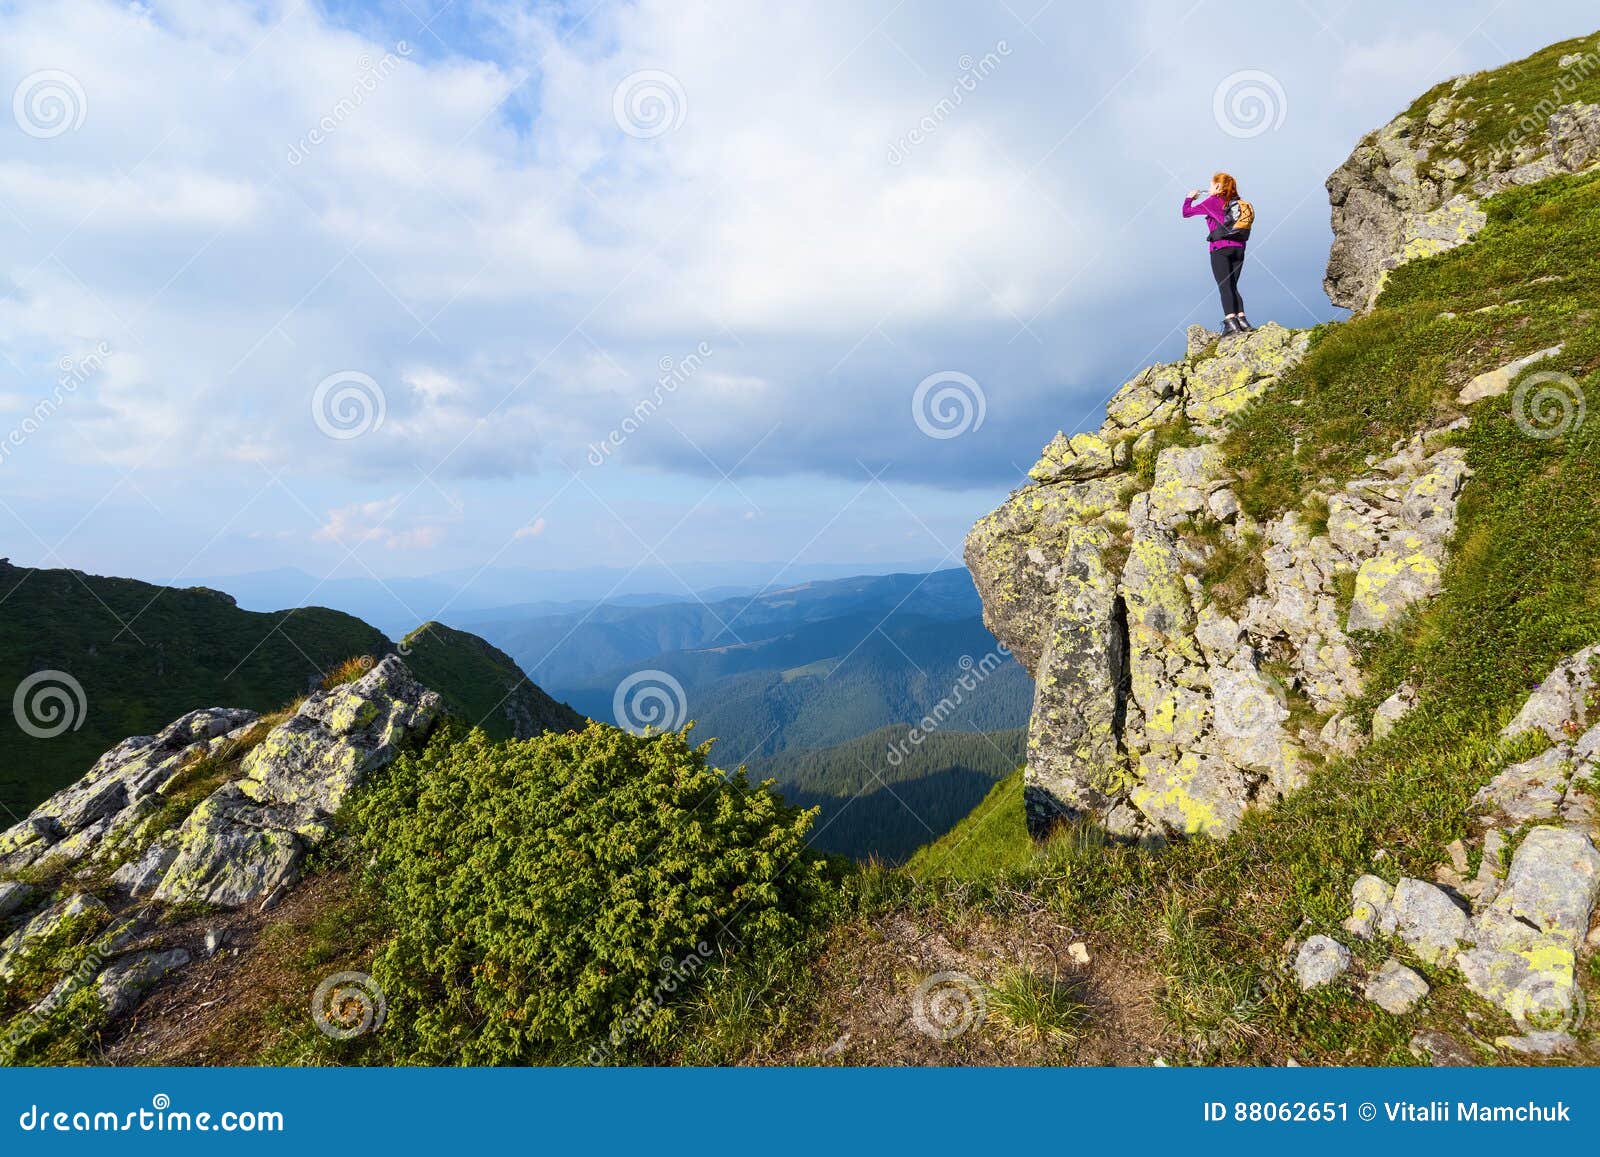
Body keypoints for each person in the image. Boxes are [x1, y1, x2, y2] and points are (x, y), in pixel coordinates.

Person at [1182, 173, 1253, 334]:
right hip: (1239, 248)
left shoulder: (1213, 201)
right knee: (1232, 285)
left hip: (1220, 248)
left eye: (1211, 185)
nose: (1209, 188)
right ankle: (1242, 320)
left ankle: (1230, 322)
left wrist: (1189, 198)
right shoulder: (1238, 203)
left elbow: (1186, 213)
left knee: (1224, 286)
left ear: (1218, 186)